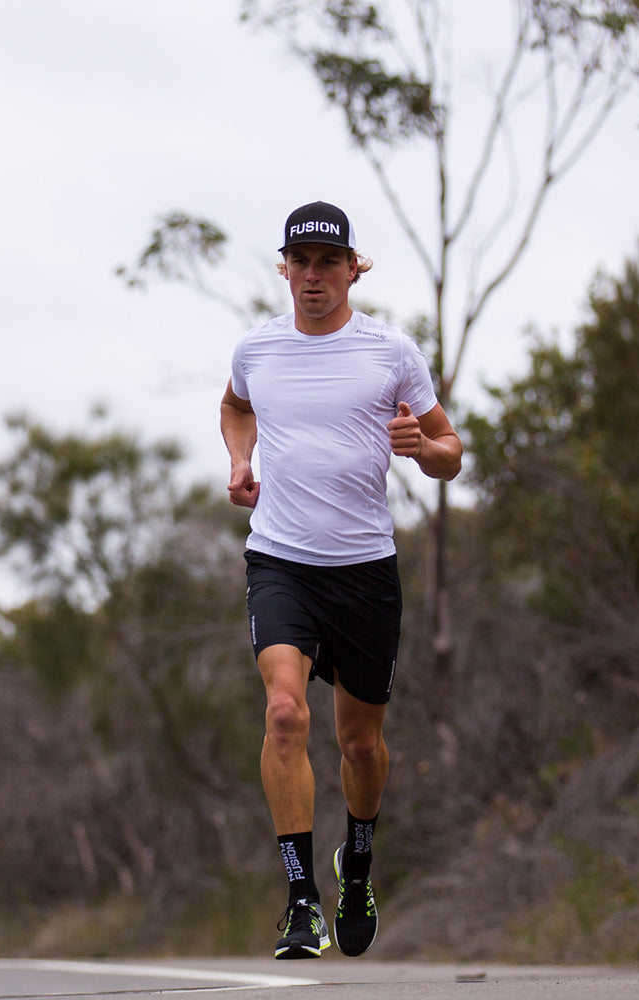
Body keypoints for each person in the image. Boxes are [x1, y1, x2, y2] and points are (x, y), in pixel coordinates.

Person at [220, 201, 462, 960]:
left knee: (361, 745)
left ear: (354, 268)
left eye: (330, 261)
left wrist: (421, 446)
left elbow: (452, 450)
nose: (314, 275)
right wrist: (239, 458)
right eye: (302, 262)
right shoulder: (257, 348)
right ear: (284, 268)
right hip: (281, 559)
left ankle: (356, 861)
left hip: (364, 569)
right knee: (286, 714)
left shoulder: (390, 352)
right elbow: (234, 406)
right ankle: (301, 901)